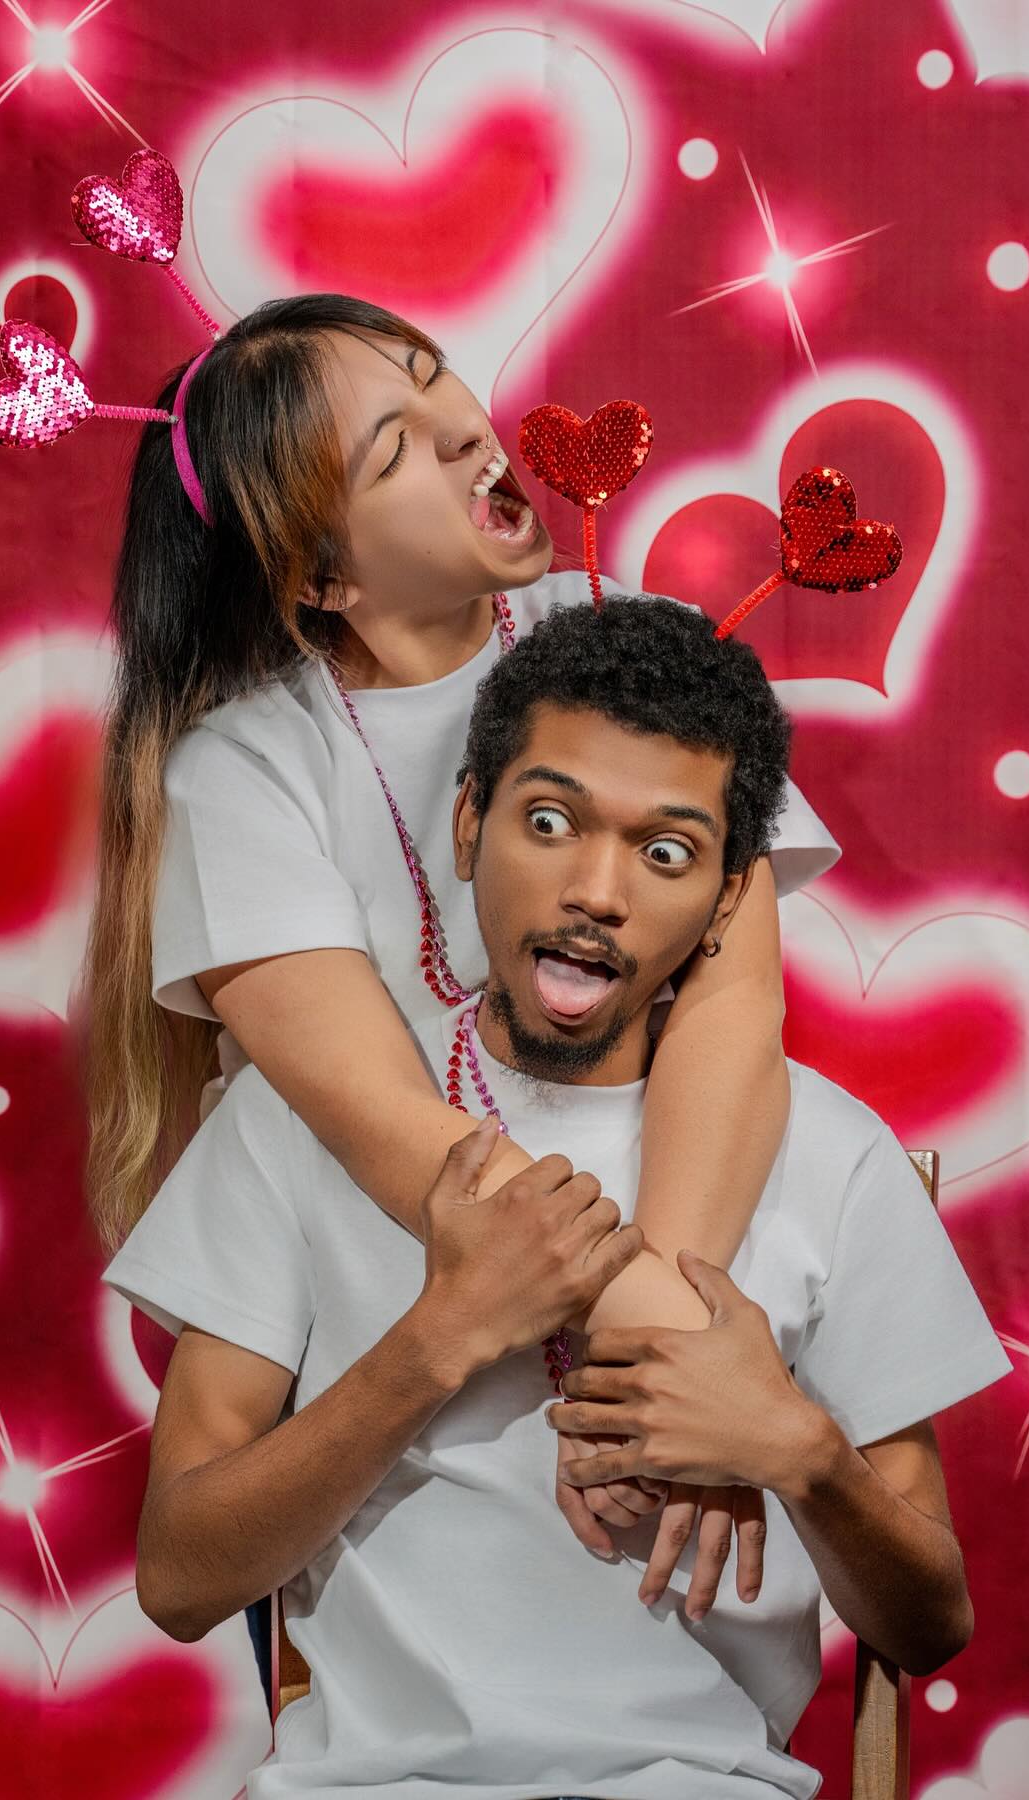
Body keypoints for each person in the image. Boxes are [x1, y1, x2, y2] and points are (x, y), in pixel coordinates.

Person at [102, 598, 1010, 1800]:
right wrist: (439, 1341)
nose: (598, 889)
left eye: (667, 853)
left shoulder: (833, 1153)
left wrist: (799, 1451)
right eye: (548, 820)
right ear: (469, 823)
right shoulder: (297, 1121)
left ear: (732, 899)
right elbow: (179, 1577)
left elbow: (930, 1623)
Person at [84, 293, 838, 1567]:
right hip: (403, 1304)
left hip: (667, 1225)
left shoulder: (611, 638)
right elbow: (387, 1124)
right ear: (325, 576)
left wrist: (668, 1348)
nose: (467, 431)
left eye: (437, 383)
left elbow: (728, 1002)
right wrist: (660, 1352)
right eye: (397, 448)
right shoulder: (246, 771)